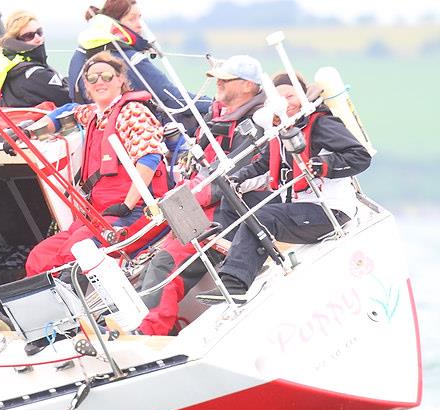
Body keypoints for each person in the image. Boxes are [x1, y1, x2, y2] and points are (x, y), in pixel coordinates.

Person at [198, 72, 372, 304]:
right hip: (298, 205)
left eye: (290, 95)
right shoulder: (281, 131)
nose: (285, 103)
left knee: (264, 217)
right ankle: (239, 262)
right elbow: (263, 163)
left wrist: (324, 166)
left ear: (301, 96)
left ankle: (235, 284)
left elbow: (360, 157)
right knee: (232, 203)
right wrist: (236, 179)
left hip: (329, 211)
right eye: (279, 98)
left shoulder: (320, 123)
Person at [136, 55, 268, 335]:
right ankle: (146, 327)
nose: (217, 83)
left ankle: (148, 334)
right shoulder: (216, 117)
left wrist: (184, 198)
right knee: (145, 267)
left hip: (230, 214)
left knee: (165, 264)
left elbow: (231, 176)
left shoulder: (257, 124)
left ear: (247, 85)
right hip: (199, 208)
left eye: (225, 79)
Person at [23, 51, 168, 277]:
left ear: (121, 79)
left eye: (107, 76)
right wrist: (29, 134)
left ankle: (65, 308)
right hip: (97, 214)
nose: (99, 81)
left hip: (137, 211)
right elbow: (65, 111)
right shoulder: (93, 114)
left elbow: (149, 159)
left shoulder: (133, 113)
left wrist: (128, 205)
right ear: (87, 87)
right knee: (39, 257)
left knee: (73, 255)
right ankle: (34, 309)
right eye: (92, 78)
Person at [68, 0, 211, 134]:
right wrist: (216, 104)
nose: (139, 25)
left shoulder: (79, 55)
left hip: (93, 132)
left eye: (139, 18)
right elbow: (173, 99)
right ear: (115, 23)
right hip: (133, 131)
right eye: (132, 19)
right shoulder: (132, 59)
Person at [0, 10, 70, 108]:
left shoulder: (9, 68)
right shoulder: (34, 74)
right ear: (14, 41)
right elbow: (70, 98)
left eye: (39, 32)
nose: (38, 38)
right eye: (29, 36)